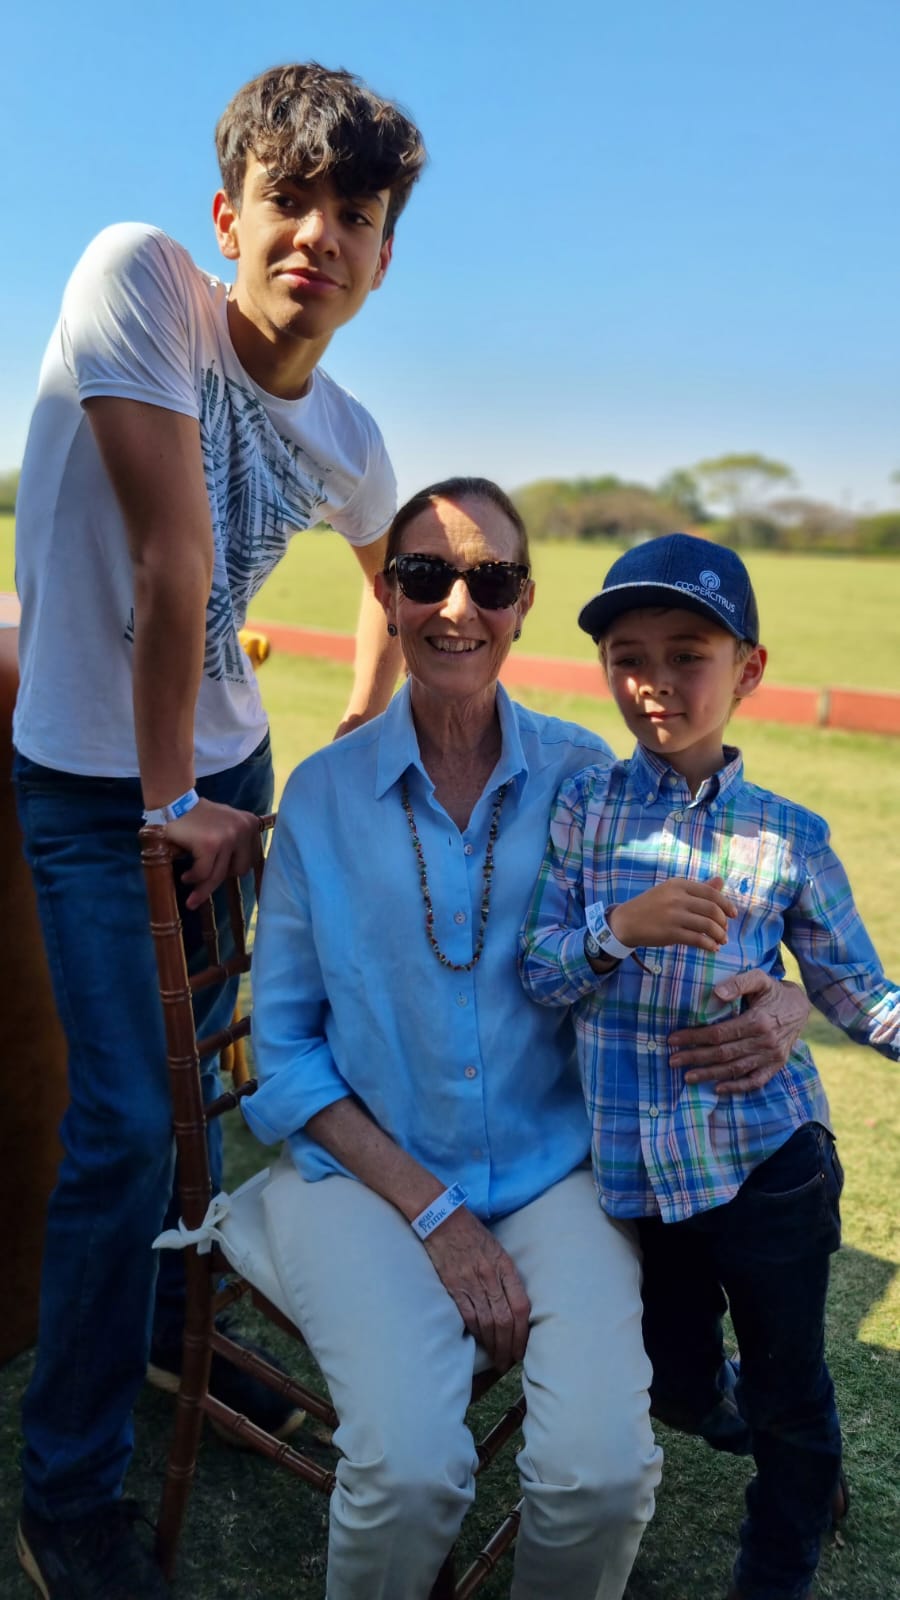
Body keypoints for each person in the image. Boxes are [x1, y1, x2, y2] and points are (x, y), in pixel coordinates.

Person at [12, 62, 426, 1597]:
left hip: (222, 788)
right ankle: (67, 1497)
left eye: (355, 214)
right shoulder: (136, 280)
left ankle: (186, 1336)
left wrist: (328, 767)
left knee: (219, 1100)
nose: (317, 233)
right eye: (291, 201)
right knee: (122, 1123)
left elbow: (391, 581)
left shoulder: (356, 434)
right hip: (93, 784)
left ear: (384, 255)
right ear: (227, 216)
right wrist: (166, 802)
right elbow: (173, 555)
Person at [247, 483, 811, 1600]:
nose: (457, 606)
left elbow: (709, 918)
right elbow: (288, 1054)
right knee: (409, 1471)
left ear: (523, 606)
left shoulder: (586, 777)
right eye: (424, 578)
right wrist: (435, 1212)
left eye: (490, 582)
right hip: (367, 1172)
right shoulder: (320, 798)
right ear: (387, 596)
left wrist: (782, 1000)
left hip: (556, 1171)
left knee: (599, 1473)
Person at [520, 531, 900, 1600]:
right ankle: (731, 1415)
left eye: (687, 652)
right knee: (680, 1383)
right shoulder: (584, 811)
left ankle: (779, 1555)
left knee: (792, 1388)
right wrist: (619, 926)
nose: (654, 682)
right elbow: (540, 974)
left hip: (768, 1161)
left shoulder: (788, 839)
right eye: (628, 655)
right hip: (640, 1184)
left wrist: (786, 1002)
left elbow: (858, 995)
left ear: (750, 669)